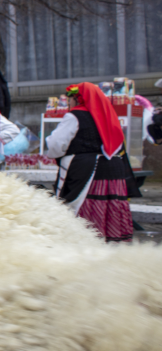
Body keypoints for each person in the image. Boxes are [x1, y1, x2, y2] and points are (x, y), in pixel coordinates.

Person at [45, 82, 137, 242]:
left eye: (70, 98)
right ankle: (110, 240)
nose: (69, 102)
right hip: (114, 169)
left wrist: (56, 152)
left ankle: (87, 241)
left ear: (78, 98)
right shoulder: (109, 116)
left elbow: (55, 145)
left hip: (87, 170)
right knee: (108, 206)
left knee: (84, 206)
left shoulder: (74, 116)